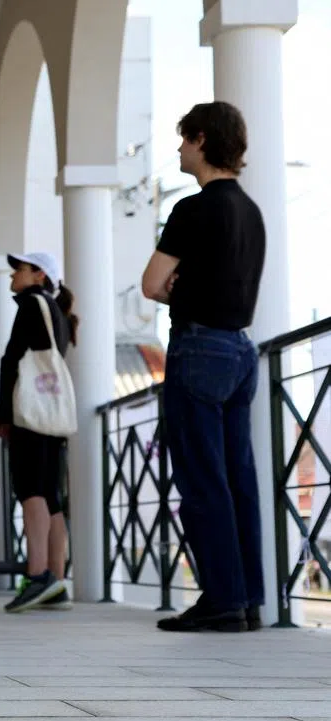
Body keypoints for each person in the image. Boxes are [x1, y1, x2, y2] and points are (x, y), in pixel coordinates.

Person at [141, 101, 266, 633]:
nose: (178, 149)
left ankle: (219, 601)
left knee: (201, 479)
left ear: (201, 140)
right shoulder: (251, 212)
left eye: (183, 139)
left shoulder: (193, 210)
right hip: (241, 350)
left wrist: (179, 287)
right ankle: (249, 600)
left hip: (198, 350)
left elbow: (152, 284)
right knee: (239, 478)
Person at [0, 252, 79, 614]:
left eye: (20, 269)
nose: (13, 275)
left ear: (39, 274)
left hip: (30, 415)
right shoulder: (56, 311)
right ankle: (56, 582)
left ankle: (37, 574)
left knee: (30, 490)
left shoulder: (31, 304)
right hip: (53, 415)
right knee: (50, 495)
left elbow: (12, 360)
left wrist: (3, 414)